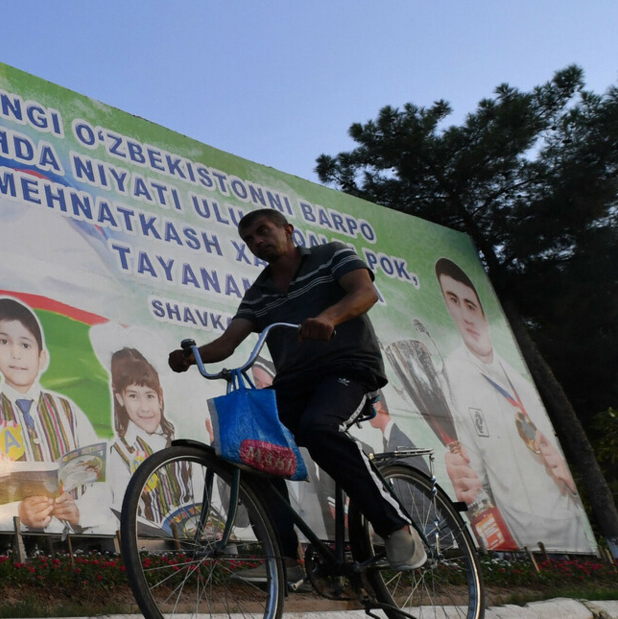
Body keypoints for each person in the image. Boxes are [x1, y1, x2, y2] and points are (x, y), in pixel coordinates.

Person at [167, 208, 425, 582]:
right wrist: (192, 357)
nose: (257, 241)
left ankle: (397, 529)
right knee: (251, 446)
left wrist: (329, 318)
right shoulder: (259, 293)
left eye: (263, 231)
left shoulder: (330, 255)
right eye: (249, 239)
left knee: (318, 428)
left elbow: (365, 291)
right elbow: (227, 343)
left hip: (349, 368)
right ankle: (285, 559)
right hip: (295, 381)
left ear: (287, 230)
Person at [435, 258, 590, 551]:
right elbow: (475, 482)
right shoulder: (450, 377)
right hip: (522, 542)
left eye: (470, 304)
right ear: (446, 305)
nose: (465, 315)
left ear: (483, 311)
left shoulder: (522, 382)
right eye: (453, 301)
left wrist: (569, 481)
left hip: (573, 534)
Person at [0, 296, 108, 532]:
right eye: (4, 341)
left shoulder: (69, 410)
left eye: (25, 345)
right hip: (16, 544)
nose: (15, 354)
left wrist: (80, 511)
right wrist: (18, 514)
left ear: (42, 357)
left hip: (77, 541)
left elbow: (100, 484)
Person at [106, 347, 190, 526]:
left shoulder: (181, 445)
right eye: (133, 396)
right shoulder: (119, 453)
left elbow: (204, 498)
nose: (144, 408)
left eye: (150, 396)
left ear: (160, 397)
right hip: (147, 540)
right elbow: (122, 512)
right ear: (120, 399)